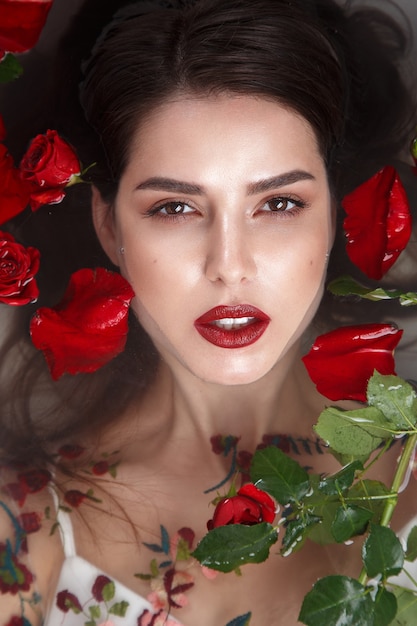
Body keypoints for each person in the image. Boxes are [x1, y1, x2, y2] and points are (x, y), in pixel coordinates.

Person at [0, 0, 416, 624]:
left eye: (277, 204)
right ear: (109, 225)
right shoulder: (26, 528)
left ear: (336, 209)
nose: (229, 263)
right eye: (175, 207)